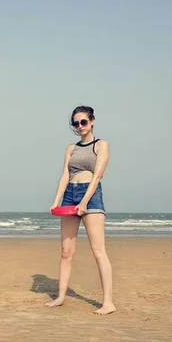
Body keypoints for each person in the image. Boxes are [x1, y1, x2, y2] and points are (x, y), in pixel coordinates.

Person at [46, 106, 116, 315]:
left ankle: (108, 303)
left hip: (91, 196)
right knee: (66, 252)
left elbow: (97, 176)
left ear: (92, 121)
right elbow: (65, 176)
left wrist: (84, 202)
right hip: (70, 195)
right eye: (75, 123)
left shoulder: (101, 145)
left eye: (83, 122)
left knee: (98, 250)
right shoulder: (71, 148)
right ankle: (60, 297)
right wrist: (56, 201)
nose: (79, 126)